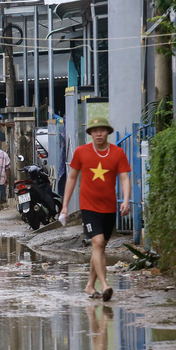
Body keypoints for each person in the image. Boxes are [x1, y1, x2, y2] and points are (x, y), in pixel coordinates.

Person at [60, 117, 131, 302]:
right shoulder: (81, 152)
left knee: (99, 247)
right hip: (89, 206)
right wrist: (65, 205)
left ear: (108, 132)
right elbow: (72, 178)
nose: (99, 133)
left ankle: (90, 286)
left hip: (109, 207)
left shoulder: (118, 153)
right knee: (97, 243)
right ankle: (105, 285)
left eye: (102, 130)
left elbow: (124, 178)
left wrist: (126, 200)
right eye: (95, 130)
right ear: (90, 133)